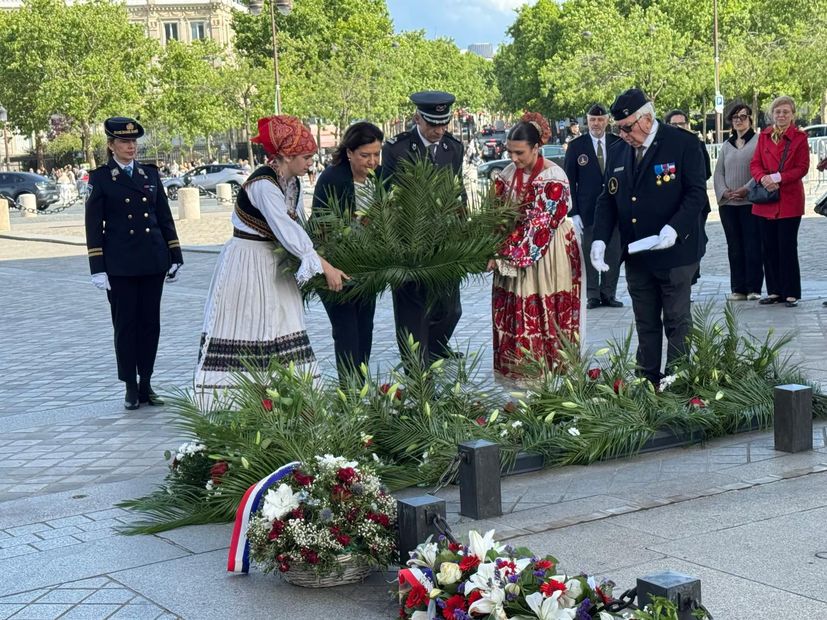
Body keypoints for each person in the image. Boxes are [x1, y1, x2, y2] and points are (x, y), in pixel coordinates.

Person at [194, 115, 348, 406]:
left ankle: (291, 397)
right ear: (287, 156)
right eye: (306, 157)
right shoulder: (263, 184)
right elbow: (286, 229)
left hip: (276, 261)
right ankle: (238, 401)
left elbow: (298, 225)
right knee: (248, 321)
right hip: (248, 261)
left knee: (284, 319)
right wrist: (323, 266)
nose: (310, 163)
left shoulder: (291, 182)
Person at [591, 89, 707, 385]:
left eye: (627, 127)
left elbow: (696, 194)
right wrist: (600, 239)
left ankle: (677, 381)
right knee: (645, 321)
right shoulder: (619, 150)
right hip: (638, 253)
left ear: (646, 118)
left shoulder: (682, 143)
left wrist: (674, 228)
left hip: (675, 251)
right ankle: (647, 381)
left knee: (677, 320)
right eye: (619, 128)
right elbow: (608, 197)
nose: (623, 134)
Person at [84, 117, 183, 410]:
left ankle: (146, 382)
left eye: (133, 142)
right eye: (124, 142)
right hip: (121, 265)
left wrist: (175, 255)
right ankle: (129, 384)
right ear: (111, 145)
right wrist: (97, 267)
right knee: (125, 326)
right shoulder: (101, 178)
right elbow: (93, 225)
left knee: (150, 324)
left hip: (152, 259)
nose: (131, 147)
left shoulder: (148, 174)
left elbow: (164, 217)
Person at [489, 113, 582, 380]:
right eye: (510, 152)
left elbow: (539, 225)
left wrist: (502, 256)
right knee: (515, 312)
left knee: (546, 312)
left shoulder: (553, 176)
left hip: (549, 253)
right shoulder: (507, 173)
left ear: (536, 148)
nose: (513, 158)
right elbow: (494, 215)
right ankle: (522, 381)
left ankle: (554, 379)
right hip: (512, 250)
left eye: (519, 152)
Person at [382, 91, 465, 365]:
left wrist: (463, 229)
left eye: (444, 124)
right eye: (433, 124)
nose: (439, 131)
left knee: (451, 309)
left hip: (444, 241)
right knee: (412, 314)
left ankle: (435, 349)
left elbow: (458, 190)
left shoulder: (453, 148)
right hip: (410, 242)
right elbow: (386, 195)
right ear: (417, 118)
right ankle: (417, 367)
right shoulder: (397, 149)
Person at [312, 122, 386, 382]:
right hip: (337, 268)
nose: (372, 161)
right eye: (365, 155)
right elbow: (320, 227)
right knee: (346, 331)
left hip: (367, 270)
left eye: (376, 154)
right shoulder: (331, 179)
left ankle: (360, 387)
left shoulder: (381, 177)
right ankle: (348, 390)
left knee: (365, 330)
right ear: (349, 153)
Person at [750, 96, 810, 308]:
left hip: (789, 200)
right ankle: (774, 290)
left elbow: (802, 167)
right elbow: (755, 163)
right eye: (778, 112)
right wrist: (762, 179)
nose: (781, 115)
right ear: (772, 114)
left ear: (793, 115)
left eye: (786, 112)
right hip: (765, 200)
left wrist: (777, 178)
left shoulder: (800, 138)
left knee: (787, 247)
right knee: (768, 247)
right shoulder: (764, 136)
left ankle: (791, 292)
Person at [564, 103, 622, 309]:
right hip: (588, 210)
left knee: (613, 252)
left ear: (607, 120)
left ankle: (609, 293)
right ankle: (592, 295)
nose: (596, 123)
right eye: (592, 120)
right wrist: (574, 212)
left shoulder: (618, 143)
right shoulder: (576, 146)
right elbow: (569, 181)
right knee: (589, 252)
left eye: (600, 119)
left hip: (614, 208)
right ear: (587, 121)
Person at [713, 103, 763, 301]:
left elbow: (762, 168)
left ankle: (753, 288)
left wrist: (746, 189)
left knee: (752, 245)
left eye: (743, 116)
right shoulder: (727, 145)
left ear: (750, 119)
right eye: (735, 117)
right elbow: (719, 172)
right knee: (734, 246)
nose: (739, 120)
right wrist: (724, 191)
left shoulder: (759, 141)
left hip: (750, 202)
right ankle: (738, 288)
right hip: (729, 204)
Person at [664, 109, 711, 287]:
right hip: (672, 203)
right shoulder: (663, 147)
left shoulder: (695, 144)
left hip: (694, 203)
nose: (678, 127)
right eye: (674, 124)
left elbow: (706, 172)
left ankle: (691, 278)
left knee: (695, 242)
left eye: (682, 124)